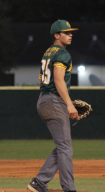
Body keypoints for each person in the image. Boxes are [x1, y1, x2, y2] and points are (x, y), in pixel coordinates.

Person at [27, 20, 78, 192]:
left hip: (44, 100)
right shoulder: (63, 53)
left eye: (71, 32)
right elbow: (58, 80)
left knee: (62, 146)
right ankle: (69, 189)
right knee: (65, 148)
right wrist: (69, 105)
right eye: (66, 32)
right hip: (53, 100)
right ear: (56, 35)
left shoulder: (48, 52)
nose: (70, 35)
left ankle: (40, 182)